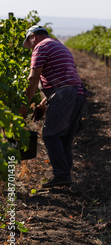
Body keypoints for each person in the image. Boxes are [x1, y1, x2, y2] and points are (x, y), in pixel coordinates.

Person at [20, 25, 87, 189]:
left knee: (50, 134)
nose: (31, 48)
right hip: (78, 94)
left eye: (30, 43)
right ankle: (65, 178)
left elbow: (33, 79)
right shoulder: (58, 45)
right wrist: (43, 104)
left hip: (65, 95)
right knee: (64, 139)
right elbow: (66, 79)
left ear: (33, 37)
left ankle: (62, 175)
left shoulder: (40, 47)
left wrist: (22, 110)